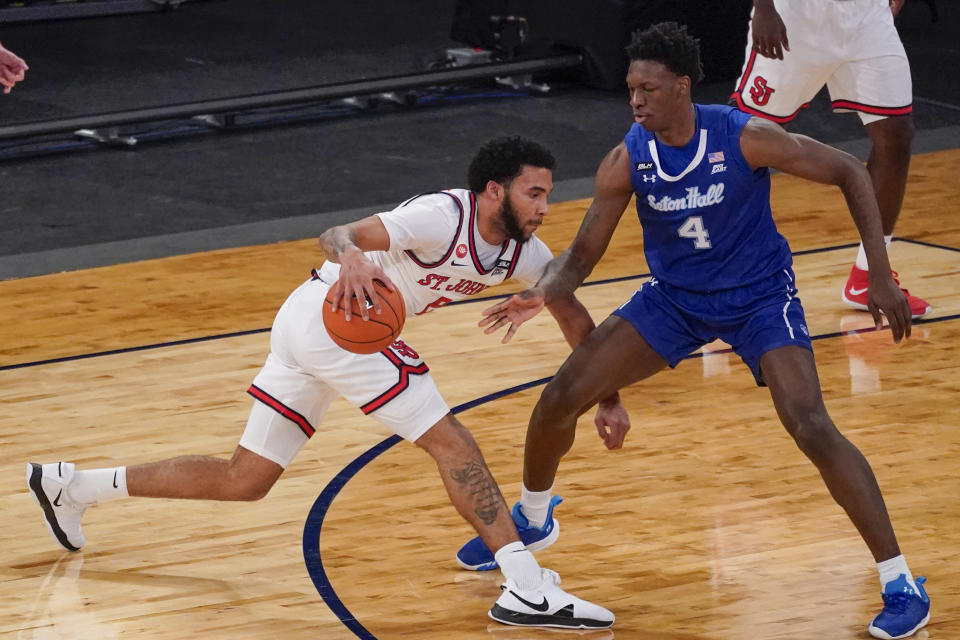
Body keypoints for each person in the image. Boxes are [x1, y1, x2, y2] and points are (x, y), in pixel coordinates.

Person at [26, 136, 626, 630]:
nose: (546, 205)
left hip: (314, 328)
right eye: (535, 192)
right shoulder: (440, 217)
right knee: (452, 442)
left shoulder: (521, 253)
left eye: (546, 193)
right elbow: (336, 235)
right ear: (495, 190)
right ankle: (524, 583)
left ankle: (73, 487)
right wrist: (355, 256)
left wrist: (609, 393)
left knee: (246, 479)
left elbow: (572, 312)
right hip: (334, 321)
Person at [457, 23, 930, 640]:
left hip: (759, 298)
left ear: (681, 88)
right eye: (631, 89)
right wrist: (541, 293)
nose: (636, 100)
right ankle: (535, 516)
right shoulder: (629, 157)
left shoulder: (745, 137)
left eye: (648, 89)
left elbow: (850, 171)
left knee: (810, 424)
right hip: (676, 303)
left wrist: (879, 274)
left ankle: (900, 581)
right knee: (558, 399)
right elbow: (582, 255)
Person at [730, 0, 930, 320]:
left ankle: (868, 276)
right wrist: (765, 8)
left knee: (897, 133)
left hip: (866, 16)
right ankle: (720, 276)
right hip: (796, 15)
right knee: (744, 137)